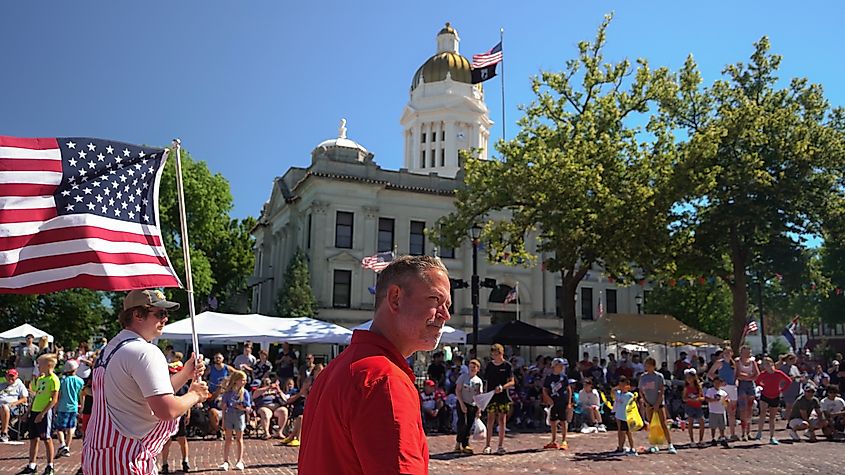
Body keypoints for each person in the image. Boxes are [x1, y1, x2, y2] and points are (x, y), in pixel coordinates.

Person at [298, 256, 450, 474]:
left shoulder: (337, 368)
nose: (446, 315)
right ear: (395, 298)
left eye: (448, 305)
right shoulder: (385, 380)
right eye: (435, 299)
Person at [81, 289, 209, 474]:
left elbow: (147, 393)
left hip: (99, 455)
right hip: (126, 458)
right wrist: (195, 395)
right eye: (160, 313)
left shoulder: (110, 349)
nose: (165, 319)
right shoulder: (144, 352)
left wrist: (185, 374)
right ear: (138, 315)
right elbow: (167, 410)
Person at [16, 354, 60, 475]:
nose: (38, 367)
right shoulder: (41, 379)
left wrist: (43, 413)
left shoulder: (53, 379)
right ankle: (32, 465)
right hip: (35, 411)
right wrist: (28, 412)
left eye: (40, 364)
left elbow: (54, 399)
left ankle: (50, 466)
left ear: (48, 365)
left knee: (46, 438)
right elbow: (36, 396)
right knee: (33, 439)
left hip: (44, 412)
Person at [638, 357, 676, 454]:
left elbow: (661, 391)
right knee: (652, 425)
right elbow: (641, 391)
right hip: (648, 405)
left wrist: (657, 403)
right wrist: (646, 402)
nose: (647, 367)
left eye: (649, 365)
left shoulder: (659, 376)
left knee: (663, 424)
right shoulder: (643, 377)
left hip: (658, 405)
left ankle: (670, 444)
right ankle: (653, 445)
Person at [483, 343, 515, 455]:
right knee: (490, 419)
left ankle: (500, 445)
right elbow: (486, 381)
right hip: (491, 396)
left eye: (496, 354)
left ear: (501, 354)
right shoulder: (490, 366)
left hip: (503, 396)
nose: (494, 357)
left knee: (502, 420)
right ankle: (487, 445)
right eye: (493, 355)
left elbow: (512, 381)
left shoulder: (507, 366)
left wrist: (502, 387)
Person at [160, 361, 192, 474]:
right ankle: (164, 464)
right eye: (171, 373)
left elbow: (188, 400)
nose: (172, 375)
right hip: (169, 416)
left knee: (182, 439)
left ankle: (185, 461)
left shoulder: (184, 387)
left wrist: (188, 413)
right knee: (166, 441)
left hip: (181, 415)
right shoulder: (165, 385)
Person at [219, 370, 252, 471]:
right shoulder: (228, 393)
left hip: (239, 416)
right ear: (236, 380)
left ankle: (239, 460)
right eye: (242, 380)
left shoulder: (245, 393)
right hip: (229, 415)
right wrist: (223, 420)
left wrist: (242, 407)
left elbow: (248, 408)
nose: (244, 382)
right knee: (228, 439)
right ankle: (225, 461)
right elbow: (224, 407)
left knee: (239, 439)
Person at [754, 356, 791, 444]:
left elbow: (788, 381)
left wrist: (781, 389)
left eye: (768, 364)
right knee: (762, 413)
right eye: (765, 365)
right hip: (765, 395)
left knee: (772, 417)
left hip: (775, 395)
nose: (767, 366)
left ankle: (772, 436)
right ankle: (759, 432)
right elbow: (757, 381)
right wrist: (762, 386)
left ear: (772, 364)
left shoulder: (778, 373)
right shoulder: (763, 374)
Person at [54, 360, 84, 458]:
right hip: (73, 407)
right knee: (71, 428)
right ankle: (67, 447)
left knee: (59, 428)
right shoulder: (80, 381)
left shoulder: (62, 380)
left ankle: (62, 444)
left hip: (62, 407)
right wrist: (81, 407)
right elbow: (81, 395)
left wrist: (55, 406)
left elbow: (59, 395)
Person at [707, 346, 738, 440]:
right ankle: (722, 433)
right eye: (725, 352)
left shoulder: (734, 363)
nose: (727, 354)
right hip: (724, 389)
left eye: (729, 352)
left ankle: (733, 433)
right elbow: (710, 374)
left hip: (732, 388)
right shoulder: (719, 363)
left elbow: (736, 375)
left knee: (732, 412)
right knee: (724, 409)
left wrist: (736, 382)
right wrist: (719, 382)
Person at [542, 358, 572, 450]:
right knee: (553, 421)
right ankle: (553, 440)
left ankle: (564, 440)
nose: (562, 367)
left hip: (562, 401)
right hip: (553, 403)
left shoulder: (564, 377)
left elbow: (568, 389)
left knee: (563, 420)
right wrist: (548, 398)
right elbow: (545, 389)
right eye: (560, 366)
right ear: (554, 366)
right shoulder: (549, 377)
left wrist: (569, 402)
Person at [454, 358, 483, 454]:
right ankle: (458, 442)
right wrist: (462, 404)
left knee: (469, 424)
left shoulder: (478, 381)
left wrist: (479, 409)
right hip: (462, 402)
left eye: (474, 367)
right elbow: (458, 390)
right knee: (462, 423)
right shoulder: (463, 377)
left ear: (478, 369)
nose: (472, 369)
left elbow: (479, 396)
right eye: (470, 367)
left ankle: (465, 443)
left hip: (472, 404)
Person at [735, 345, 760, 441]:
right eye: (745, 352)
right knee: (743, 408)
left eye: (749, 352)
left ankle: (749, 431)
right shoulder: (738, 361)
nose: (747, 354)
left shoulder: (752, 362)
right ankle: (743, 432)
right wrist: (748, 375)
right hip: (742, 385)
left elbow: (757, 374)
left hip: (750, 384)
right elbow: (738, 374)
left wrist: (747, 376)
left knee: (750, 408)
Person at [0, 369, 28, 442]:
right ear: (6, 376)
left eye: (12, 376)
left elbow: (24, 399)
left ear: (16, 376)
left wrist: (14, 403)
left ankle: (4, 433)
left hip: (13, 407)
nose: (10, 378)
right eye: (9, 376)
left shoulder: (19, 385)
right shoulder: (2, 385)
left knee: (4, 407)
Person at [613, 376, 637, 456]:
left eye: (623, 386)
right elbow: (613, 391)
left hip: (626, 417)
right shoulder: (619, 393)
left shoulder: (629, 395)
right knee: (621, 432)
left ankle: (632, 448)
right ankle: (620, 447)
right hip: (619, 416)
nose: (622, 387)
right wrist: (618, 387)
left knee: (627, 433)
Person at [704, 376, 730, 447]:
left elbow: (726, 402)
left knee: (722, 426)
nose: (717, 384)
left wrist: (726, 401)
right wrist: (714, 400)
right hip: (713, 411)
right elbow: (706, 399)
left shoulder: (723, 392)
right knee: (713, 426)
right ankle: (713, 438)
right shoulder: (710, 390)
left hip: (721, 411)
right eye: (716, 383)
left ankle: (722, 437)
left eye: (719, 383)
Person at [682, 368, 705, 447]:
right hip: (690, 406)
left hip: (698, 406)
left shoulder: (698, 387)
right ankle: (692, 440)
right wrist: (689, 399)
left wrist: (698, 399)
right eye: (687, 378)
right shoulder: (686, 388)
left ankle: (701, 440)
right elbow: (684, 398)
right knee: (690, 423)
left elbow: (703, 397)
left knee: (702, 422)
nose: (689, 379)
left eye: (690, 377)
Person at [778, 353, 803, 423]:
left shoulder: (795, 367)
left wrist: (800, 378)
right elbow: (781, 379)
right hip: (788, 389)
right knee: (789, 405)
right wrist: (790, 378)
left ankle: (787, 418)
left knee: (793, 405)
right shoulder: (783, 368)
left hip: (796, 389)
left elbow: (798, 376)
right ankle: (788, 420)